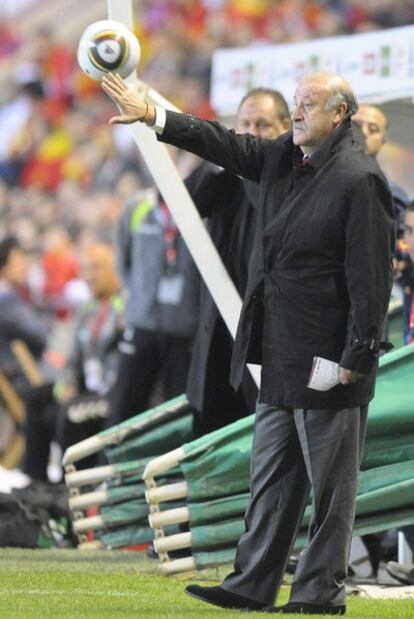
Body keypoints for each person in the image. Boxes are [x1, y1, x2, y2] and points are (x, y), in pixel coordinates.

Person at [101, 71, 395, 615]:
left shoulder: (360, 177)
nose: (299, 110)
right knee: (272, 479)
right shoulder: (288, 155)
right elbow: (228, 144)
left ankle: (318, 594)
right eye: (297, 101)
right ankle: (251, 583)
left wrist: (357, 357)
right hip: (281, 351)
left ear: (339, 114)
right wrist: (155, 117)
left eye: (308, 103)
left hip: (328, 359)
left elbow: (371, 277)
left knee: (330, 490)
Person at [186, 88, 291, 437]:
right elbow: (185, 202)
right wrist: (220, 158)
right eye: (244, 124)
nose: (251, 133)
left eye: (262, 125)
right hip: (218, 327)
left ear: (285, 127)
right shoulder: (221, 172)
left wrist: (247, 160)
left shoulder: (289, 173)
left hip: (264, 332)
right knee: (212, 424)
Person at [107, 182, 200, 426]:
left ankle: (175, 464)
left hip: (184, 328)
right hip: (143, 322)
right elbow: (122, 258)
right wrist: (138, 295)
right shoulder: (138, 207)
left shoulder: (199, 201)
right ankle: (112, 463)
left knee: (179, 411)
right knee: (124, 407)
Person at [352, 104, 409, 238]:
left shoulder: (390, 193)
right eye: (355, 125)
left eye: (373, 129)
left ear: (383, 140)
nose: (363, 133)